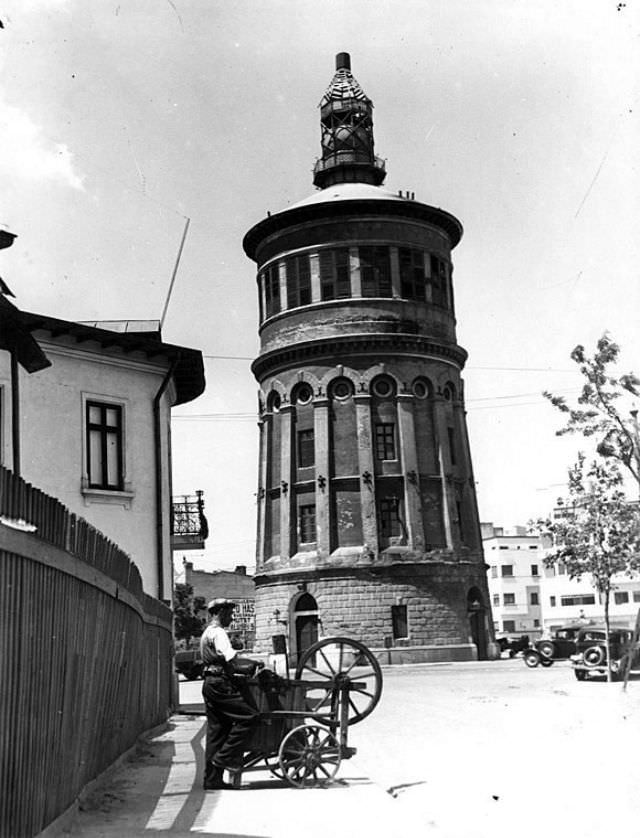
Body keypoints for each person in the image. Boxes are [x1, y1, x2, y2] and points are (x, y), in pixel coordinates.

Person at [200, 598, 262, 790]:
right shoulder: (219, 633)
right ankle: (222, 759)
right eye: (229, 613)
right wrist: (254, 664)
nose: (232, 617)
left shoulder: (206, 633)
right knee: (250, 717)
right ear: (220, 613)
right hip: (220, 684)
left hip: (210, 683)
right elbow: (231, 659)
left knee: (217, 732)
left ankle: (212, 780)